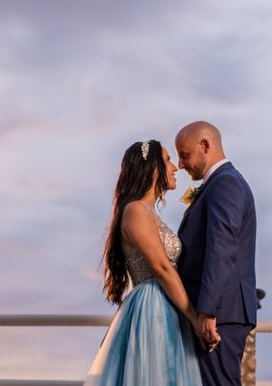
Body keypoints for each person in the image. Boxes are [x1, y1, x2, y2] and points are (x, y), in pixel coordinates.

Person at [83, 139, 206, 385]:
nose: (175, 168)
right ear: (152, 168)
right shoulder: (135, 211)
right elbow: (161, 267)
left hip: (168, 305)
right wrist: (194, 317)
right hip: (154, 307)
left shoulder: (148, 213)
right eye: (168, 160)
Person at [175, 121, 257, 386]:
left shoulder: (225, 184)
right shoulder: (221, 184)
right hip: (215, 311)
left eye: (184, 155)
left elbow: (222, 248)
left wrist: (208, 311)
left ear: (205, 145)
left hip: (218, 314)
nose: (180, 164)